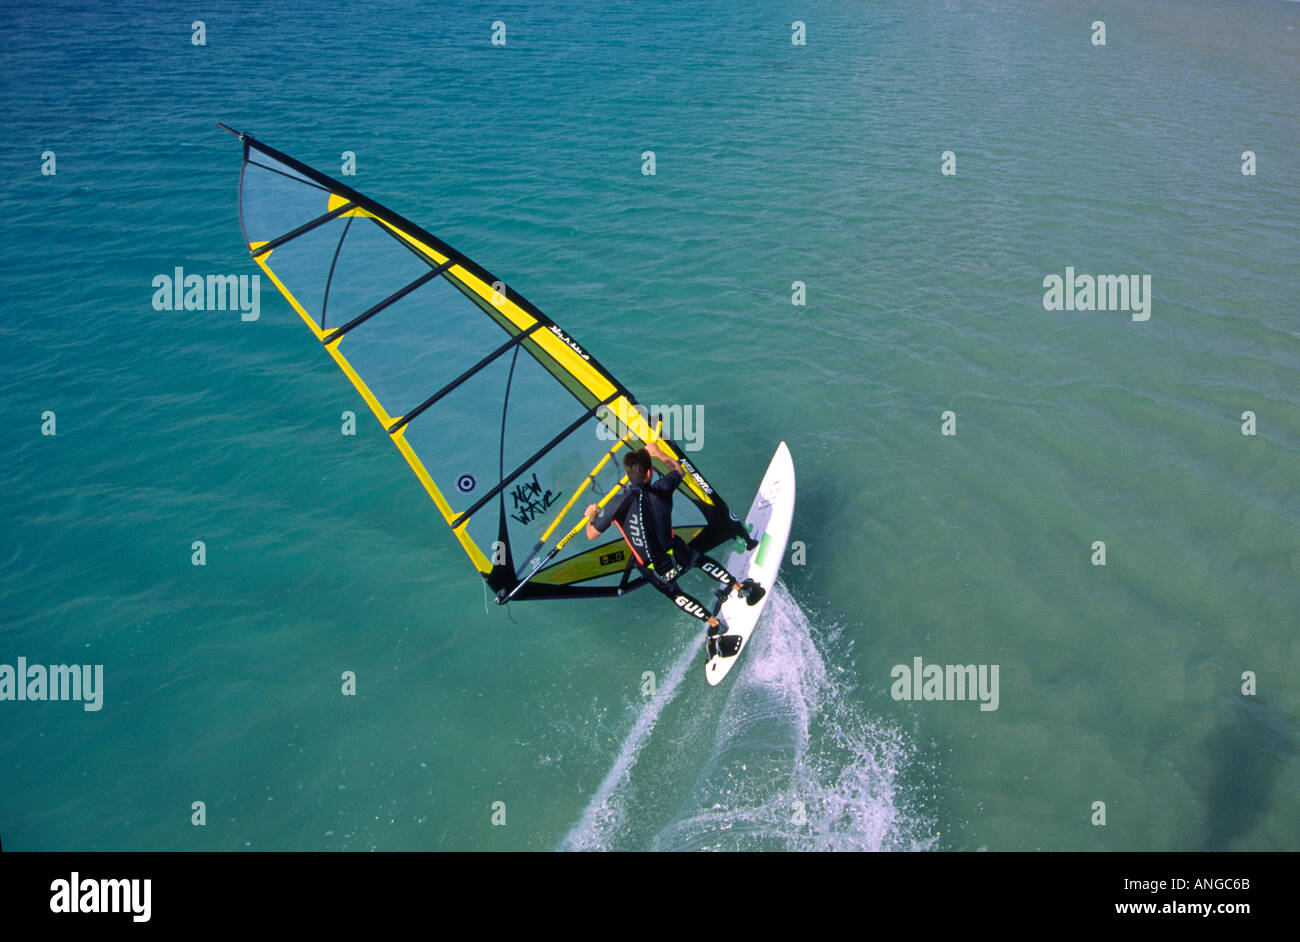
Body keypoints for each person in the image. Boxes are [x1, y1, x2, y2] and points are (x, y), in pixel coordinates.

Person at [584, 441, 763, 658]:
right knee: (700, 560)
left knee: (676, 594)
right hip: (676, 552)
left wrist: (591, 517)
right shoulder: (663, 489)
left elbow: (591, 534)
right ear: (649, 474)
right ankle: (739, 586)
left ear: (628, 474)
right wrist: (657, 452)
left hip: (653, 568)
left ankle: (714, 623)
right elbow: (679, 469)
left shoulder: (615, 504)